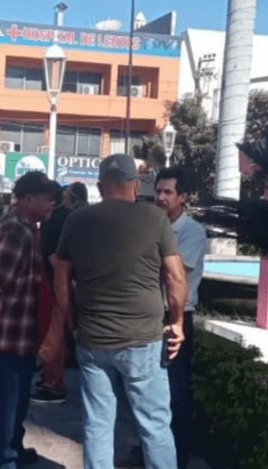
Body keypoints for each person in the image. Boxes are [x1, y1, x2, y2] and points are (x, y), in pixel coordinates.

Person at [54, 154, 188, 469]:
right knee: (154, 425)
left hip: (93, 340)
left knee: (98, 423)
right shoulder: (155, 219)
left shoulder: (76, 219)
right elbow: (176, 276)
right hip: (143, 340)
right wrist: (178, 322)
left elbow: (61, 280)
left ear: (100, 186)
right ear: (135, 185)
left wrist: (74, 325)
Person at [0, 171, 60, 469]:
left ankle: (13, 447)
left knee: (17, 403)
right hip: (6, 335)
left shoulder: (25, 227)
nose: (52, 203)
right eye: (47, 198)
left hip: (19, 334)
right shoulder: (16, 231)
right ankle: (2, 460)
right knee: (7, 404)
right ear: (28, 199)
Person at [155, 167, 207, 469]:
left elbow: (177, 277)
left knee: (175, 391)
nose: (161, 198)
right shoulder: (153, 226)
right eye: (158, 192)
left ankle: (178, 457)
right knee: (152, 389)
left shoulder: (192, 232)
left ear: (183, 197)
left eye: (168, 193)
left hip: (177, 315)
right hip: (153, 313)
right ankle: (153, 452)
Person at [30, 181, 89, 404]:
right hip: (72, 282)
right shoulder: (77, 216)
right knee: (62, 334)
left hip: (54, 283)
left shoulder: (53, 219)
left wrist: (63, 282)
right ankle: (52, 378)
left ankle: (52, 386)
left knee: (51, 337)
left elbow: (54, 256)